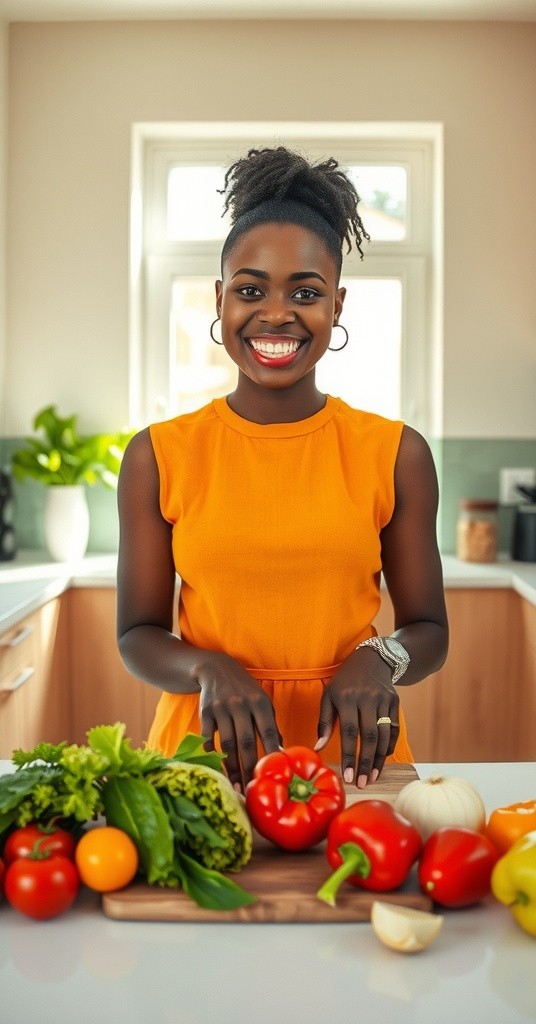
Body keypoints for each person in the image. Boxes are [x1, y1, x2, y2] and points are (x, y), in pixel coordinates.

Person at [116, 145, 449, 793]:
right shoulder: (157, 454)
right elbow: (137, 634)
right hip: (206, 757)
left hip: (353, 759)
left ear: (338, 306)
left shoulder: (396, 452)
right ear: (220, 299)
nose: (276, 314)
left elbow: (429, 629)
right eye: (250, 290)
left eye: (305, 292)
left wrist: (382, 658)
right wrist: (208, 667)